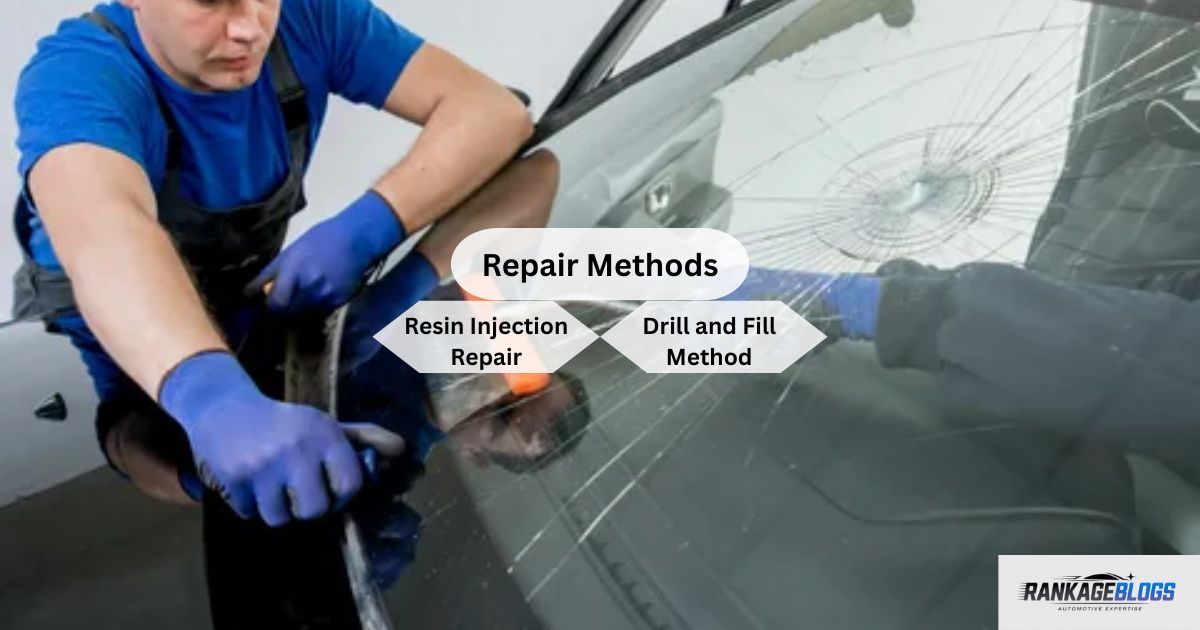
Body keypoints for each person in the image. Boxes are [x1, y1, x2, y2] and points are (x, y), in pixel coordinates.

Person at [10, 0, 533, 527]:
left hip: (249, 316)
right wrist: (212, 400)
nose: (248, 29)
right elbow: (105, 235)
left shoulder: (311, 17)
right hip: (112, 348)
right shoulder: (78, 73)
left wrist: (367, 233)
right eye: (212, 1)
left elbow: (493, 112)